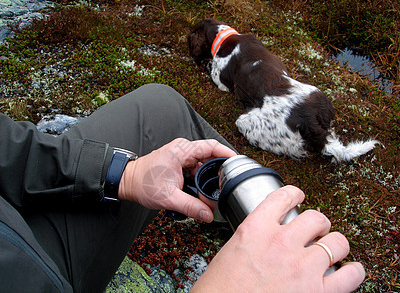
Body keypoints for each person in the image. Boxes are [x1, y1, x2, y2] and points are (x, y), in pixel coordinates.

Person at [0, 84, 365, 292]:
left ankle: (249, 213)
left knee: (162, 109)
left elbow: (9, 145)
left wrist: (122, 174)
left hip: (16, 234)